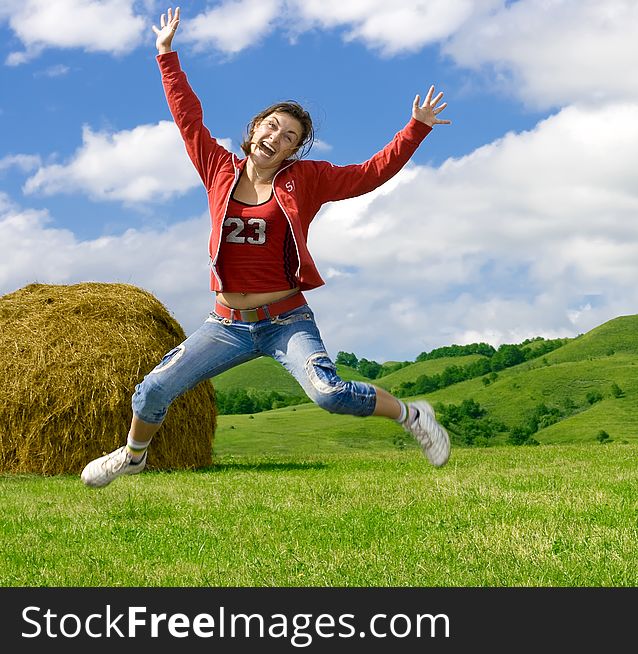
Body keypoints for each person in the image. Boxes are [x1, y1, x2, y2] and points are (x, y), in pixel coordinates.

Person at [81, 7, 451, 488]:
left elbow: (368, 174)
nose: (277, 137)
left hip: (285, 320)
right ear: (255, 129)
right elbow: (187, 118)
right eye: (272, 127)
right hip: (226, 325)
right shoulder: (218, 169)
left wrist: (415, 128)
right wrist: (166, 55)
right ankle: (133, 456)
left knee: (329, 394)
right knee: (151, 391)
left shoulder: (307, 180)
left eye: (290, 137)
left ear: (294, 151)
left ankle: (412, 415)